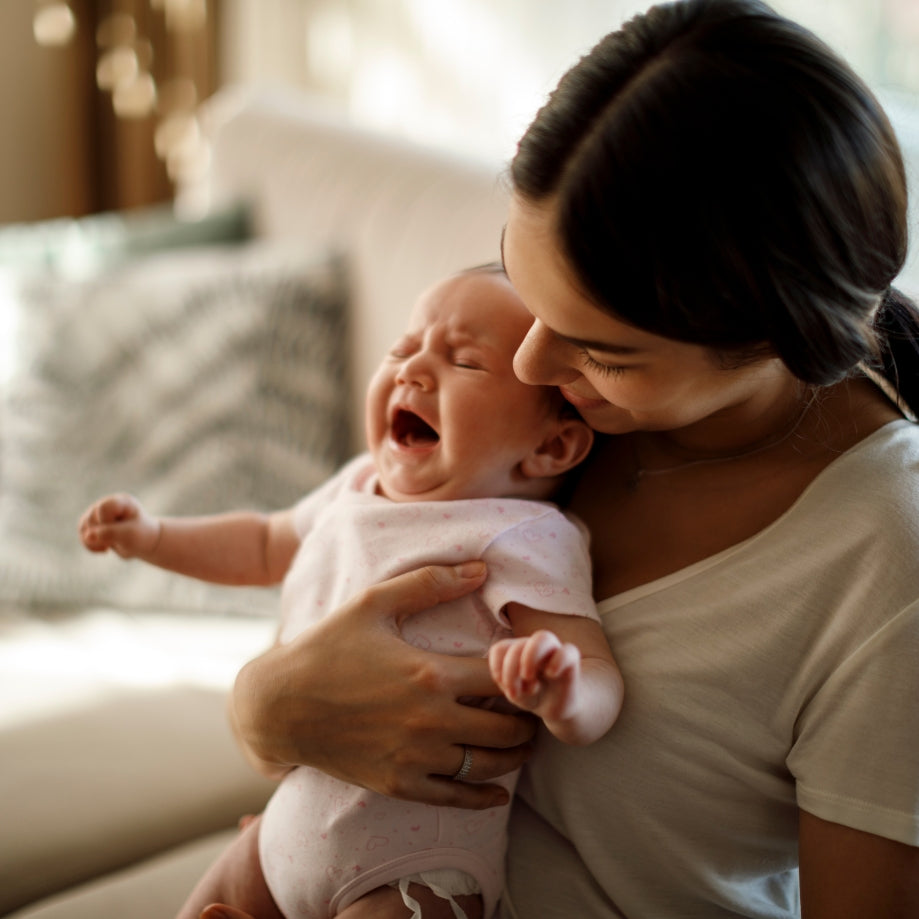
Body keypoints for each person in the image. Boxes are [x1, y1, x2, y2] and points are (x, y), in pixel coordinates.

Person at [213, 1, 919, 917]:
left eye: (602, 350)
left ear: (778, 337)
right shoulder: (558, 414)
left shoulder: (884, 565)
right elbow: (342, 585)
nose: (526, 363)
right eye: (526, 290)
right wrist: (264, 708)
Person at [79, 265, 623, 919]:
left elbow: (598, 673)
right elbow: (262, 542)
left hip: (412, 869)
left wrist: (563, 691)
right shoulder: (358, 484)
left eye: (463, 361)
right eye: (403, 348)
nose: (411, 370)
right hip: (281, 836)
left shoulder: (523, 534)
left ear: (552, 446)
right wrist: (154, 536)